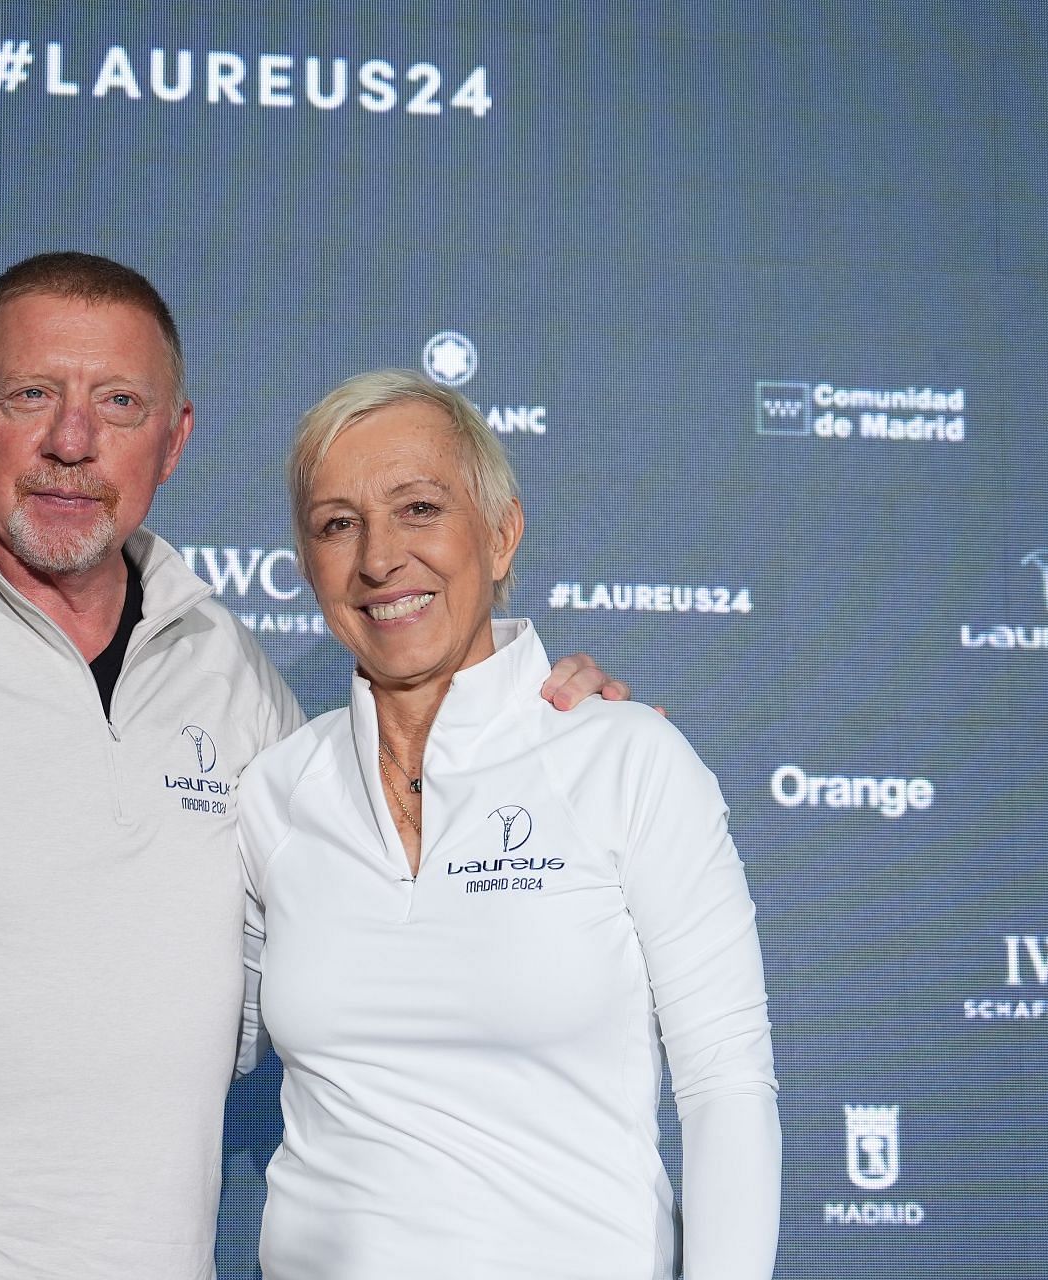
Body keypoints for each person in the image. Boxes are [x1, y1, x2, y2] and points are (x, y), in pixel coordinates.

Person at [0, 254, 626, 1279]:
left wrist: (536, 735)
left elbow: (391, 908)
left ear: (174, 440)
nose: (71, 441)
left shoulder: (231, 677)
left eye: (120, 402)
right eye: (31, 395)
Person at [237, 370, 780, 1279]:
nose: (379, 558)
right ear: (306, 565)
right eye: (338, 524)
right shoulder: (276, 793)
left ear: (499, 535)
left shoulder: (625, 761)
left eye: (418, 508)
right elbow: (184, 1039)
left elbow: (726, 1086)